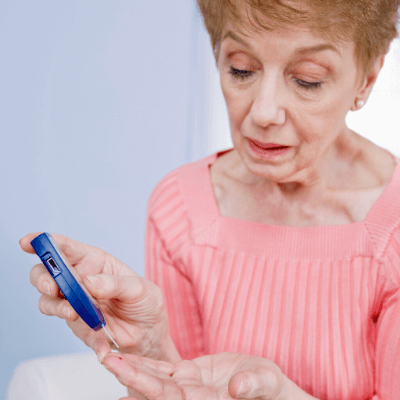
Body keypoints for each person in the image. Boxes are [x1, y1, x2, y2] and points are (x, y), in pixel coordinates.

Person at [20, 0, 400, 398]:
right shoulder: (180, 209)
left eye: (307, 80)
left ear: (368, 76)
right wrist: (150, 346)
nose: (264, 112)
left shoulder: (390, 231)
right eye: (241, 70)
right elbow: (189, 387)